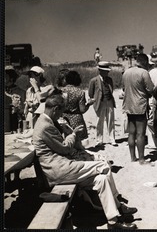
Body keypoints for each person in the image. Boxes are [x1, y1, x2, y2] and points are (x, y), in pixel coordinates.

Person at [32, 93, 138, 229]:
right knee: (104, 165)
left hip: (62, 168)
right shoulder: (46, 126)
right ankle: (120, 206)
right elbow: (65, 148)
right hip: (59, 170)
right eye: (60, 112)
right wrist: (73, 134)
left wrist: (68, 133)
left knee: (101, 180)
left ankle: (113, 221)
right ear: (55, 109)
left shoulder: (44, 121)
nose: (60, 115)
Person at [122, 53, 154, 164]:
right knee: (141, 133)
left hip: (129, 105)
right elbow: (151, 89)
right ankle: (141, 159)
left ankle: (133, 157)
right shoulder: (144, 73)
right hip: (140, 105)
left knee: (131, 133)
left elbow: (123, 88)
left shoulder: (126, 72)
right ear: (144, 62)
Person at [88, 61, 117, 146]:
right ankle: (99, 140)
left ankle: (112, 139)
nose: (107, 72)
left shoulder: (109, 80)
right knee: (99, 122)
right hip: (100, 103)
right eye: (105, 71)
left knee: (111, 121)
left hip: (109, 101)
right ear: (100, 70)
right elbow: (90, 93)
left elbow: (111, 90)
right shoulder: (93, 80)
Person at [61, 70, 93, 140]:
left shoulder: (61, 91)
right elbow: (82, 109)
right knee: (77, 140)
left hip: (63, 117)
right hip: (76, 118)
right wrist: (88, 104)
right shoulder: (80, 92)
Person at [4, 65, 26, 133]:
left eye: (5, 75)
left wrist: (18, 108)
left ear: (11, 77)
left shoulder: (21, 92)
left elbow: (24, 111)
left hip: (15, 127)